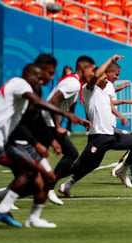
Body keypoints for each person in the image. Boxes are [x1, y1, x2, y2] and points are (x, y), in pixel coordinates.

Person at [0, 64, 90, 228]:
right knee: (32, 174)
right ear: (29, 74)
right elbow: (33, 110)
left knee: (37, 177)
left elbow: (36, 119)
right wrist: (65, 114)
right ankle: (2, 207)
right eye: (41, 77)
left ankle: (16, 212)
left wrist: (51, 140)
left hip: (1, 142)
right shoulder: (20, 84)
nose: (44, 80)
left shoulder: (28, 93)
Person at [58, 55, 132, 196]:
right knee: (80, 166)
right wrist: (110, 61)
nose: (107, 80)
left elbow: (109, 103)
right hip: (98, 136)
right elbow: (95, 77)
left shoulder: (104, 91)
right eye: (104, 77)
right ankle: (51, 179)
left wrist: (119, 110)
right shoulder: (88, 89)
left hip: (110, 134)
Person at [43, 55, 97, 204]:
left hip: (47, 123)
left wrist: (79, 120)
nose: (94, 74)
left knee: (35, 160)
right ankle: (48, 187)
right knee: (71, 153)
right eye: (92, 70)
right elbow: (53, 102)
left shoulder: (74, 82)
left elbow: (62, 107)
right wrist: (58, 126)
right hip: (46, 123)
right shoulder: (72, 83)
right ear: (83, 68)